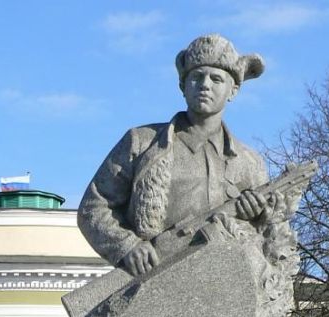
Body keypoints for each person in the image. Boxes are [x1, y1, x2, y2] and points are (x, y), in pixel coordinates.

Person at [77, 34, 269, 277]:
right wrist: (128, 247)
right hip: (156, 280)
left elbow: (268, 240)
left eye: (216, 78)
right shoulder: (141, 142)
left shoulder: (250, 164)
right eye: (197, 77)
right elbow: (93, 207)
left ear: (233, 90)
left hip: (225, 286)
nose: (205, 85)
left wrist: (258, 217)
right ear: (182, 86)